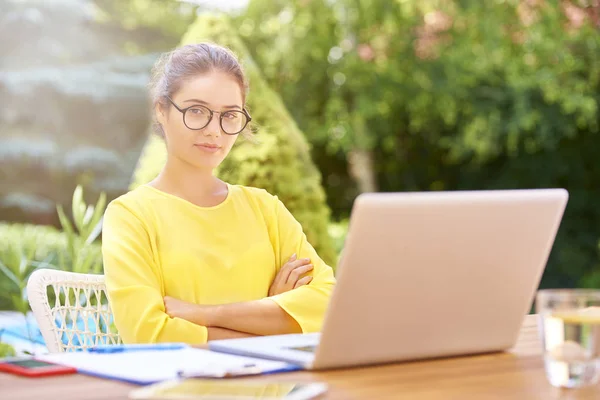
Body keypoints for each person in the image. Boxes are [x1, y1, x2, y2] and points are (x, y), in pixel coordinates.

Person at [101, 42, 336, 344]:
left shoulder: (265, 210)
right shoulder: (131, 216)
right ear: (162, 110)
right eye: (197, 111)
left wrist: (205, 314)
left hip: (269, 391)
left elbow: (330, 307)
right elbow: (150, 334)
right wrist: (267, 318)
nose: (215, 130)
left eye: (230, 115)